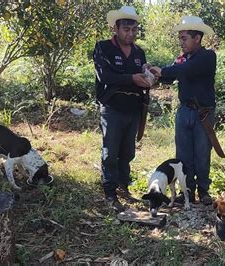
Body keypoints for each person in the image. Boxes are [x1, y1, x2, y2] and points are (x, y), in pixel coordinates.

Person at [150, 16, 217, 206]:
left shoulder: (207, 57)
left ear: (197, 38)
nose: (181, 42)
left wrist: (163, 70)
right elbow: (170, 76)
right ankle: (187, 191)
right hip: (184, 111)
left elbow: (185, 70)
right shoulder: (182, 59)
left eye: (184, 38)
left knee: (202, 153)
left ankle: (204, 191)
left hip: (203, 113)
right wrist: (154, 73)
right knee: (183, 154)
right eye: (180, 38)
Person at [93, 6, 152, 212]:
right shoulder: (103, 48)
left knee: (127, 151)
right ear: (116, 28)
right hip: (112, 107)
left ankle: (123, 186)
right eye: (126, 29)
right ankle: (109, 191)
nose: (131, 33)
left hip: (133, 108)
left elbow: (142, 76)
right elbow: (105, 76)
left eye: (134, 29)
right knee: (110, 151)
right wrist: (131, 78)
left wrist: (147, 76)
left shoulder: (139, 53)